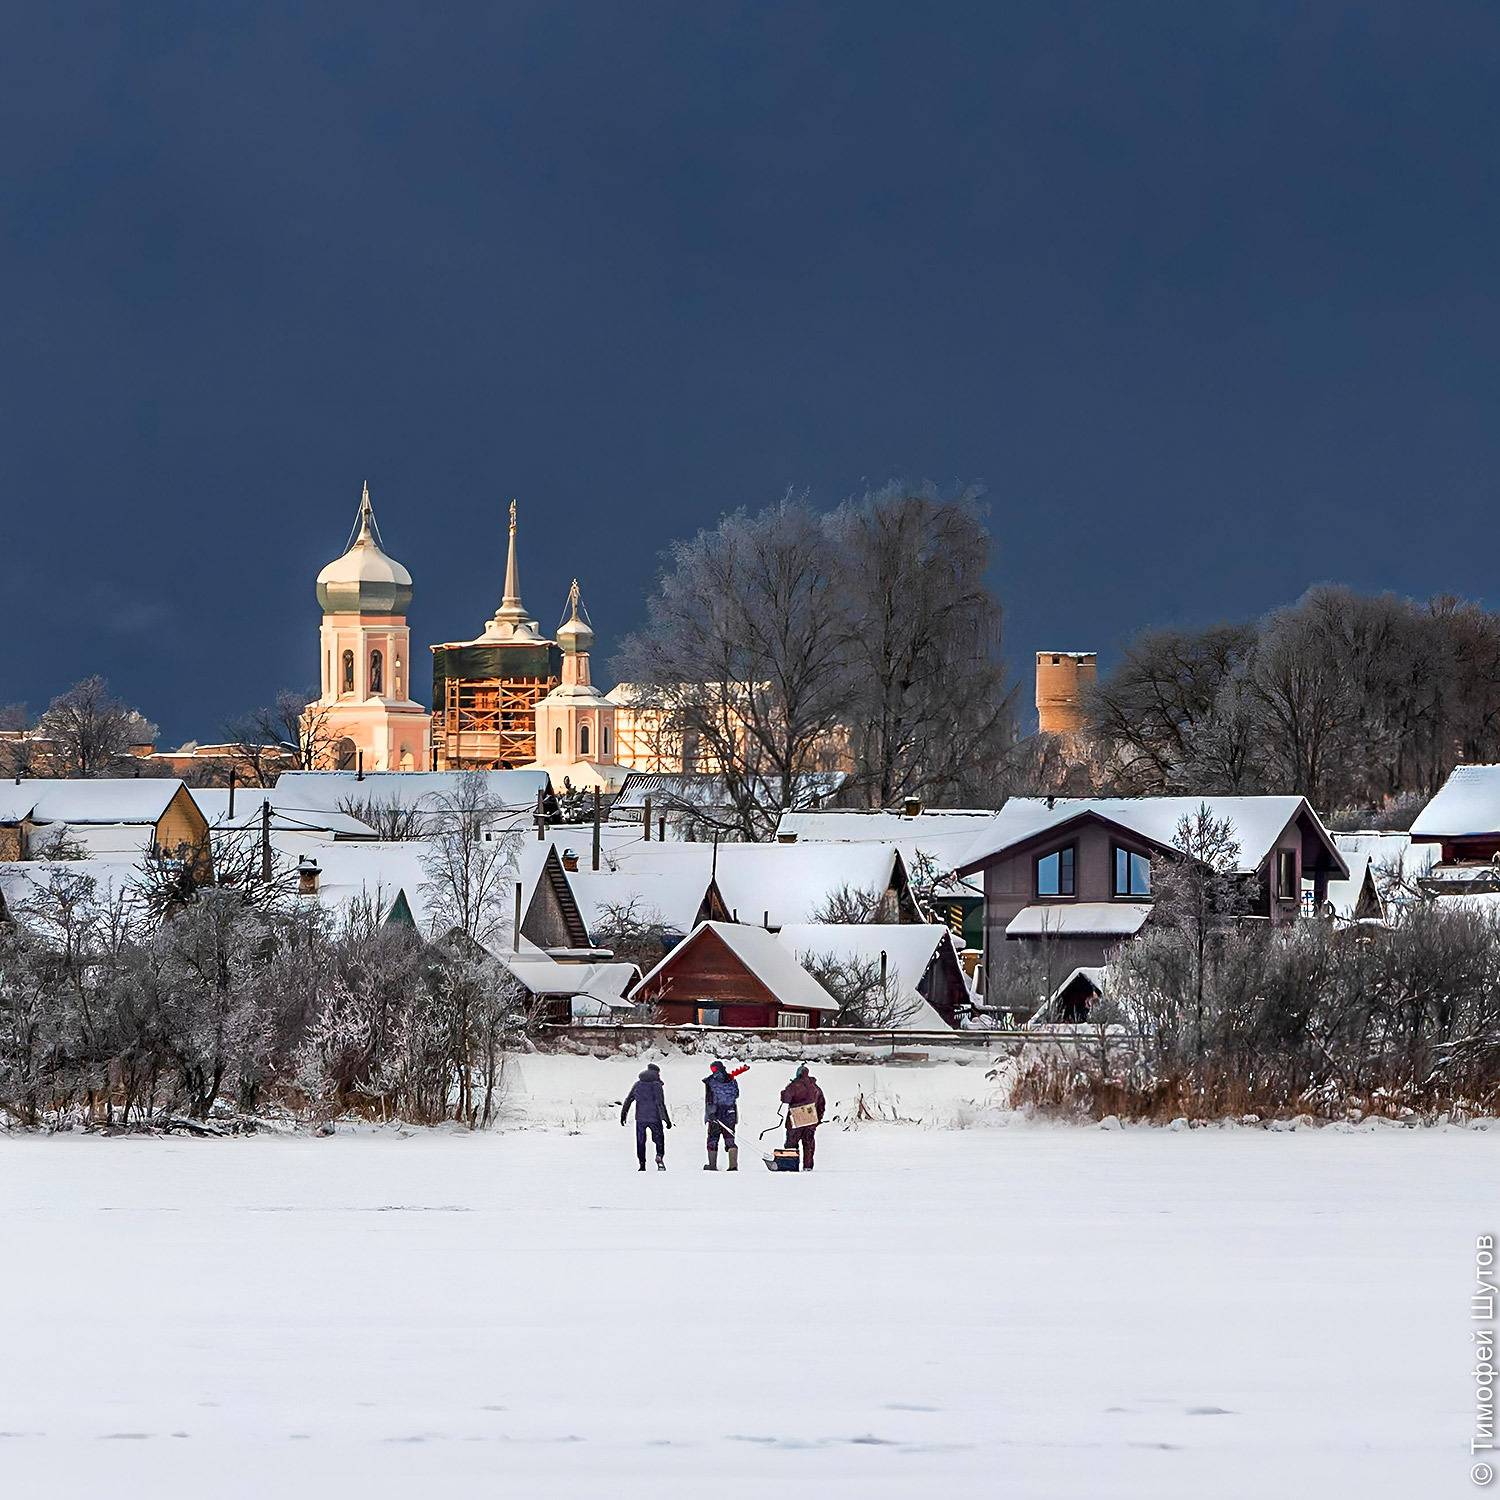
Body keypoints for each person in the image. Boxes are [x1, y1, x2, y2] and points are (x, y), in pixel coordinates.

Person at [621, 1062, 672, 1171]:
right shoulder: (657, 1086)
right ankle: (659, 1156)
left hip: (640, 1118)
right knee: (659, 1139)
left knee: (640, 1141)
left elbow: (628, 1100)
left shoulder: (638, 1084)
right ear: (657, 1073)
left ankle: (642, 1164)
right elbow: (660, 1103)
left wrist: (623, 1115)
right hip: (655, 1118)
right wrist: (666, 1120)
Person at [780, 1064, 826, 1171]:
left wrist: (783, 1093)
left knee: (791, 1144)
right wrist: (818, 1119)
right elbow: (821, 1104)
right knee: (809, 1144)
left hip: (795, 1120)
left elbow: (786, 1099)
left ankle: (791, 1166)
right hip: (810, 1119)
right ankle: (808, 1167)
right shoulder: (815, 1087)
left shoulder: (794, 1085)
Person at [702, 1060, 743, 1171]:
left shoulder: (710, 1081)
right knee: (730, 1138)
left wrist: (711, 1114)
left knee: (713, 1138)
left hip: (715, 1114)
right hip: (730, 1113)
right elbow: (736, 1094)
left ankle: (712, 1165)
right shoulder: (732, 1079)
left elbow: (709, 1099)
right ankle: (733, 1165)